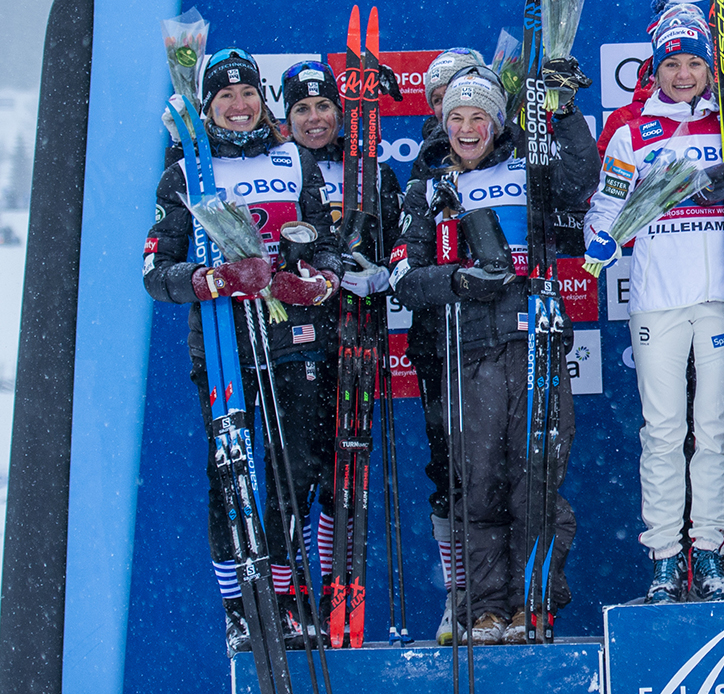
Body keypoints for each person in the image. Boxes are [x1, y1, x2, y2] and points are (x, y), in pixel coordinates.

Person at [584, 0, 724, 603]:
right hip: (655, 299)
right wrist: (601, 237)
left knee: (716, 428)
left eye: (693, 64)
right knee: (663, 429)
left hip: (722, 297)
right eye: (671, 63)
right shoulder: (629, 129)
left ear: (709, 68)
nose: (682, 75)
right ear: (655, 67)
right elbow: (606, 206)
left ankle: (709, 554)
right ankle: (664, 559)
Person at [389, 63, 598, 643]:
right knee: (477, 482)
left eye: (479, 115)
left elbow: (582, 173)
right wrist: (458, 281)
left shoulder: (530, 167)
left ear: (497, 122)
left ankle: (534, 602)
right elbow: (404, 273)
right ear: (442, 122)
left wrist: (562, 109)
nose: (467, 127)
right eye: (456, 116)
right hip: (469, 348)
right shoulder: (429, 187)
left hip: (535, 341)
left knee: (535, 480)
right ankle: (484, 609)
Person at [143, 47, 342, 653]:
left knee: (296, 468)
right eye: (225, 96)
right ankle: (238, 605)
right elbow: (157, 269)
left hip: (290, 338)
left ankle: (285, 593)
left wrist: (312, 280)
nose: (238, 105)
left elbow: (327, 246)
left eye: (248, 93)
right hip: (224, 343)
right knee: (230, 474)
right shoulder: (186, 172)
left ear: (264, 100)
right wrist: (211, 281)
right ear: (207, 107)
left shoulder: (295, 159)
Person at [279, 59, 405, 633]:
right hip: (297, 333)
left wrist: (382, 270)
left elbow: (400, 238)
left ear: (340, 111)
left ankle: (335, 583)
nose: (314, 118)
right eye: (301, 108)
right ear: (286, 117)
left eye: (323, 106)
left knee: (343, 469)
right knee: (298, 467)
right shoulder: (281, 168)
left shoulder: (371, 171)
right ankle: (293, 583)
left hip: (354, 333)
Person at [399, 46, 487, 642]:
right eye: (439, 101)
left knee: (499, 470)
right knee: (449, 469)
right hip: (438, 341)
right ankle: (460, 592)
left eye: (463, 99)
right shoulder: (420, 177)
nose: (451, 116)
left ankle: (497, 595)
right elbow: (406, 271)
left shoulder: (505, 159)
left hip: (498, 339)